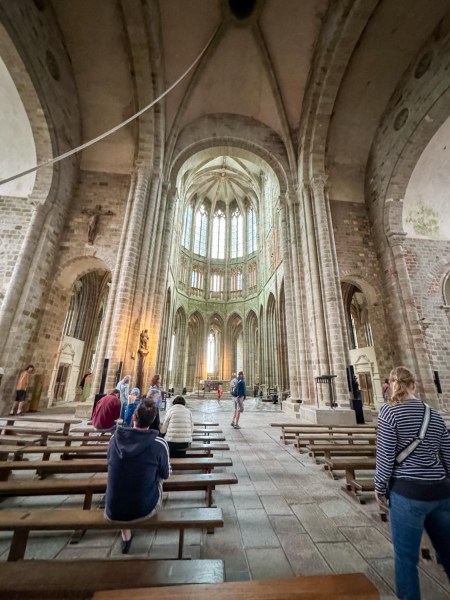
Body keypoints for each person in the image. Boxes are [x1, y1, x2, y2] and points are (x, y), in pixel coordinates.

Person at [374, 366, 450, 600]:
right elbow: (448, 456)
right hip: (441, 493)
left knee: (406, 559)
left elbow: (385, 456)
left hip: (407, 494)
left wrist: (379, 487)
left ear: (391, 385)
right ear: (414, 385)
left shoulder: (389, 412)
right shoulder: (434, 414)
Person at [105, 399, 170, 554]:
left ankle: (125, 535)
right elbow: (165, 474)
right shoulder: (159, 444)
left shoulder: (114, 439)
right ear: (153, 421)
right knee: (160, 477)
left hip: (113, 509)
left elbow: (108, 463)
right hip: (143, 508)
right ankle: (147, 506)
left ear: (134, 417)